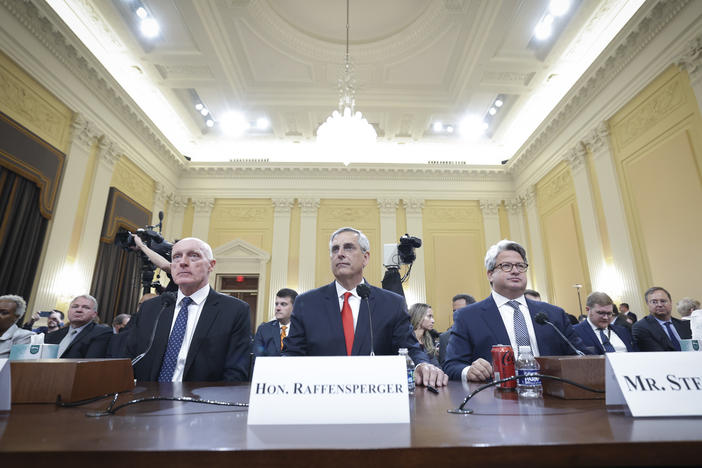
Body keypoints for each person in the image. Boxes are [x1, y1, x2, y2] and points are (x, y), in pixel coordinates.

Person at [284, 227, 447, 388]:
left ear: (365, 258)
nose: (340, 253)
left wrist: (421, 365)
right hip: (320, 395)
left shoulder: (392, 303)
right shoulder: (307, 303)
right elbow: (292, 355)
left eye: (348, 247)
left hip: (377, 397)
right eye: (335, 249)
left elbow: (409, 348)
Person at [443, 239, 589, 382]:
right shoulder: (468, 316)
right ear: (490, 274)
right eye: (506, 266)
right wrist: (469, 371)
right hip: (497, 399)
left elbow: (581, 356)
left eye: (520, 266)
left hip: (553, 397)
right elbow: (451, 365)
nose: (515, 271)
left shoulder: (553, 315)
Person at [126, 237, 251, 381]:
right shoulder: (151, 308)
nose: (183, 262)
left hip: (200, 401)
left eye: (194, 256)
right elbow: (129, 359)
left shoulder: (234, 311)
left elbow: (235, 374)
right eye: (177, 257)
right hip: (147, 399)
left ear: (211, 265)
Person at [44, 295, 112, 358]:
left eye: (86, 307)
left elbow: (91, 364)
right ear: (68, 311)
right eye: (75, 306)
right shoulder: (53, 335)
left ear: (94, 314)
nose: (79, 310)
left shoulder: (101, 333)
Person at [632, 287, 691, 351]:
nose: (659, 305)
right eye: (654, 302)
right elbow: (656, 354)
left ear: (670, 302)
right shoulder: (641, 327)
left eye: (663, 301)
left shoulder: (684, 325)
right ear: (648, 305)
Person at [253, 288, 298, 357]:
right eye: (276, 304)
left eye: (283, 304)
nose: (278, 308)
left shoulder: (302, 330)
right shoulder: (264, 330)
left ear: (294, 307)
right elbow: (257, 360)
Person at [438, 293, 476, 365]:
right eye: (454, 311)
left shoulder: (485, 332)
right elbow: (445, 367)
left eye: (460, 311)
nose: (456, 315)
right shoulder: (445, 337)